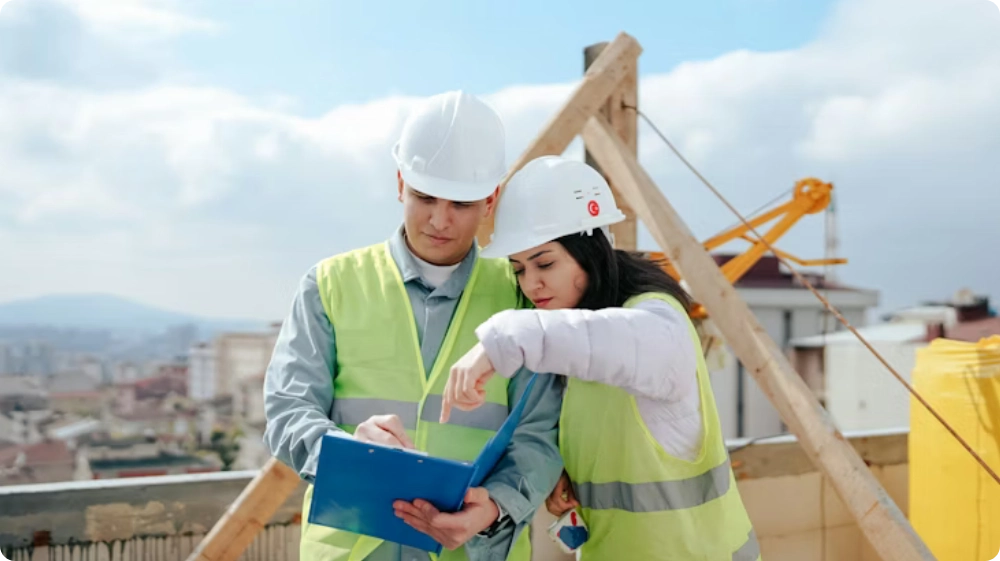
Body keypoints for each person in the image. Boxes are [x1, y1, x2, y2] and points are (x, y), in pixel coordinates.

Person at [263, 91, 564, 561]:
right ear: (401, 182)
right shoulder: (329, 284)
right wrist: (347, 453)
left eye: (461, 203)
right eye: (425, 197)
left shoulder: (522, 295)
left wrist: (494, 508)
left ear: (491, 199)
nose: (440, 220)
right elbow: (287, 411)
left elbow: (539, 433)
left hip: (472, 550)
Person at [439, 155, 761, 560]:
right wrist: (569, 473)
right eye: (519, 268)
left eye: (545, 263)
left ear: (589, 250)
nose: (532, 283)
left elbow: (607, 341)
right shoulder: (575, 345)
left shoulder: (657, 322)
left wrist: (502, 338)